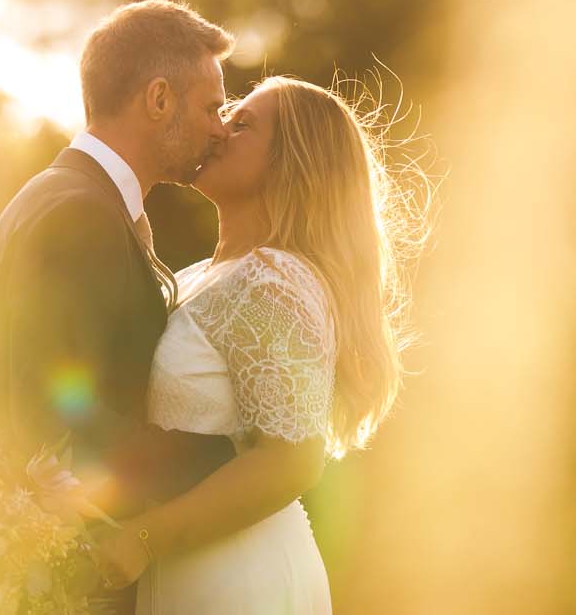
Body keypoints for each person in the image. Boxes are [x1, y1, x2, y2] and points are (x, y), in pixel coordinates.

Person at [93, 75, 417, 614]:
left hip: (239, 581)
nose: (219, 130)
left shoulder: (273, 283)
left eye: (242, 124)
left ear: (293, 163)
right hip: (185, 569)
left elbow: (291, 463)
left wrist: (143, 539)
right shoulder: (206, 273)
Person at [0, 0, 242, 611]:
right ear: (159, 99)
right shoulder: (79, 216)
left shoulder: (62, 195)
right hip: (71, 580)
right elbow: (72, 416)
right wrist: (235, 454)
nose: (221, 127)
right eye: (212, 106)